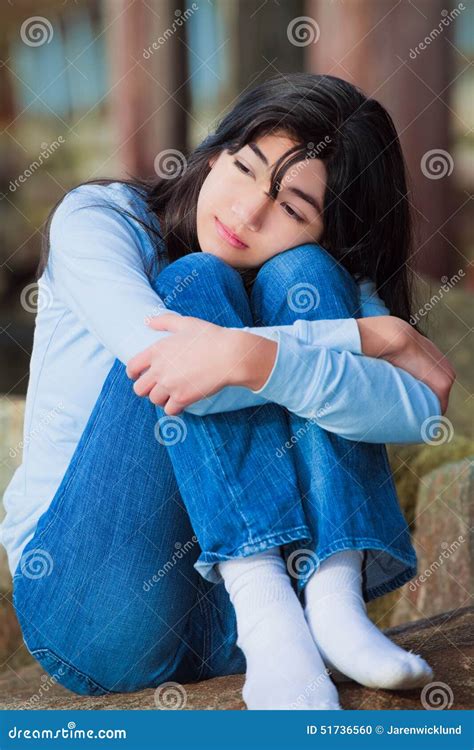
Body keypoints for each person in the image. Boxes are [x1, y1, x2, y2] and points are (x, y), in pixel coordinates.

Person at [2, 73, 455, 710]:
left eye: (294, 209)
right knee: (196, 280)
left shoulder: (320, 271)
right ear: (216, 150)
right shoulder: (102, 220)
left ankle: (334, 605)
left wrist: (255, 354)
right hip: (95, 604)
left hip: (233, 625)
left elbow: (418, 406)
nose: (247, 212)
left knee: (304, 275)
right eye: (245, 167)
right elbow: (170, 367)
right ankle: (268, 612)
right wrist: (362, 336)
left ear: (332, 228)